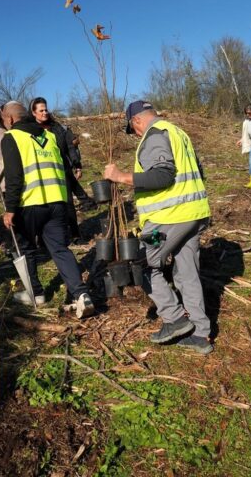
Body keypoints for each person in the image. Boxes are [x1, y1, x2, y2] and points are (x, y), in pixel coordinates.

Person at [104, 101, 213, 355]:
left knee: (140, 263)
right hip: (194, 214)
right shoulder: (178, 133)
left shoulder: (154, 136)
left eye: (134, 131)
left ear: (136, 121)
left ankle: (175, 318)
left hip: (170, 217)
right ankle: (201, 334)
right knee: (187, 273)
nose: (136, 136)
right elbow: (199, 171)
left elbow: (163, 175)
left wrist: (121, 177)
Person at [0, 101, 94, 317]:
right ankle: (80, 293)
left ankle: (36, 293)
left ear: (11, 119)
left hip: (29, 204)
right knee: (60, 249)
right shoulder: (49, 136)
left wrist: (10, 208)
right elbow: (65, 169)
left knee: (24, 247)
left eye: (5, 119)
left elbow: (14, 176)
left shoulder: (11, 137)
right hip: (57, 203)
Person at [29, 97, 95, 240]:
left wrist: (77, 165)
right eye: (41, 110)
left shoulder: (56, 127)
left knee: (68, 204)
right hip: (43, 174)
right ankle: (45, 238)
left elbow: (70, 147)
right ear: (33, 113)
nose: (45, 112)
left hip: (62, 171)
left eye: (46, 109)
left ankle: (75, 234)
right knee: (45, 206)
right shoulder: (30, 131)